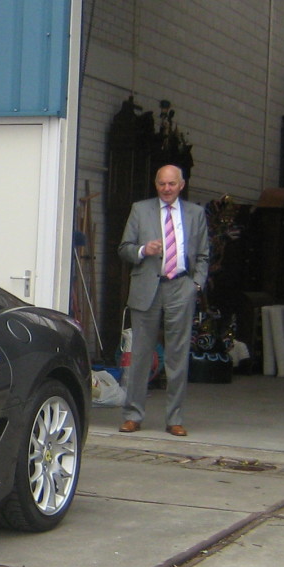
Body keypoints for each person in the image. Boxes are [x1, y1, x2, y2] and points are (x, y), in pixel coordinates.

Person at [117, 163, 210, 436]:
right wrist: (145, 249)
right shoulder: (140, 209)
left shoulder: (195, 214)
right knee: (140, 356)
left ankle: (175, 419)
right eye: (162, 184)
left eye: (172, 184)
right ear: (156, 185)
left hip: (180, 286)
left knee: (177, 357)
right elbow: (124, 249)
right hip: (147, 288)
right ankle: (133, 415)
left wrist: (196, 285)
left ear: (181, 185)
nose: (166, 189)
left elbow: (203, 254)